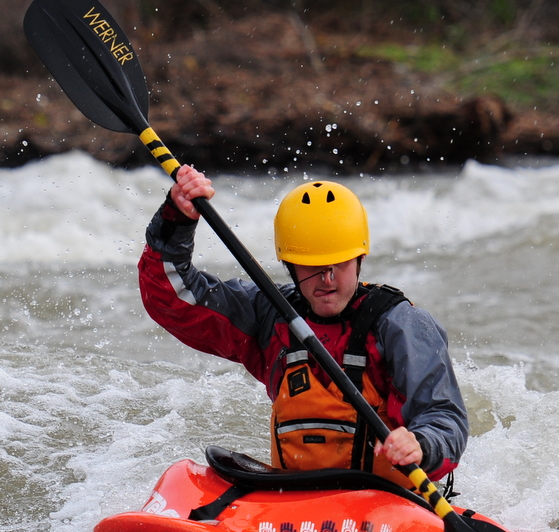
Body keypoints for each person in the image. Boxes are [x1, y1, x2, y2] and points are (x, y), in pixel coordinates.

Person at [138, 166, 469, 490]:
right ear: (289, 265)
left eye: (339, 263)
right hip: (296, 504)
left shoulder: (403, 327)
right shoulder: (270, 315)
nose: (327, 279)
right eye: (312, 265)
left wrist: (423, 445)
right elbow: (173, 298)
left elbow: (444, 417)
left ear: (360, 259)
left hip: (388, 505)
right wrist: (178, 218)